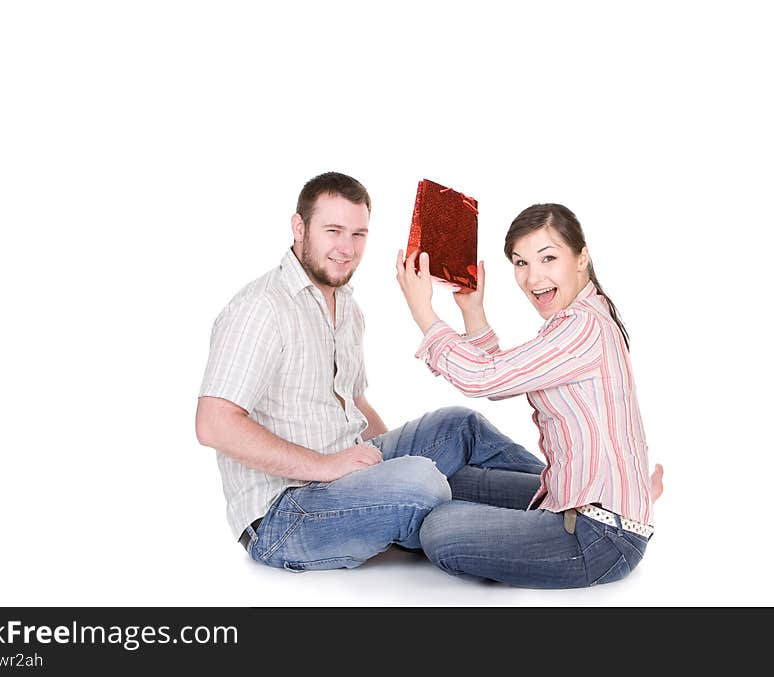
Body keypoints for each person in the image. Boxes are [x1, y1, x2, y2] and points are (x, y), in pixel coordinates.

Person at [195, 171, 546, 572]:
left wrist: (393, 464)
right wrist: (328, 467)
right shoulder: (261, 308)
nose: (346, 248)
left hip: (348, 467)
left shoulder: (346, 307)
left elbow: (354, 403)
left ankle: (564, 499)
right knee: (423, 482)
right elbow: (214, 424)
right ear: (299, 227)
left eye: (358, 234)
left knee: (458, 425)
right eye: (333, 231)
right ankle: (516, 520)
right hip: (284, 515)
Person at [395, 203, 662, 588]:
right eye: (521, 263)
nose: (533, 277)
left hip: (599, 538)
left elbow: (485, 379)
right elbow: (503, 374)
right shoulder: (577, 320)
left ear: (582, 257)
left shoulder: (582, 328)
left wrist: (423, 311)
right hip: (572, 497)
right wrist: (472, 309)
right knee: (451, 481)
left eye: (548, 258)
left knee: (439, 527)